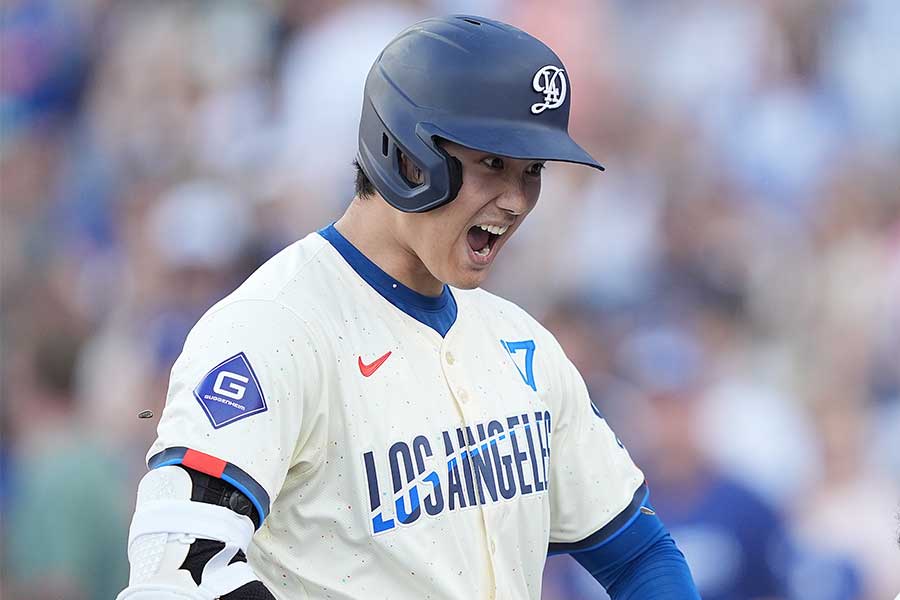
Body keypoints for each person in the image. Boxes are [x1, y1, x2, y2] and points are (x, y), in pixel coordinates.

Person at [117, 15, 699, 600]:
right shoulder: (274, 328)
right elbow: (176, 575)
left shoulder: (518, 343)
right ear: (407, 157)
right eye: (493, 163)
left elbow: (641, 555)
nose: (518, 199)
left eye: (533, 171)